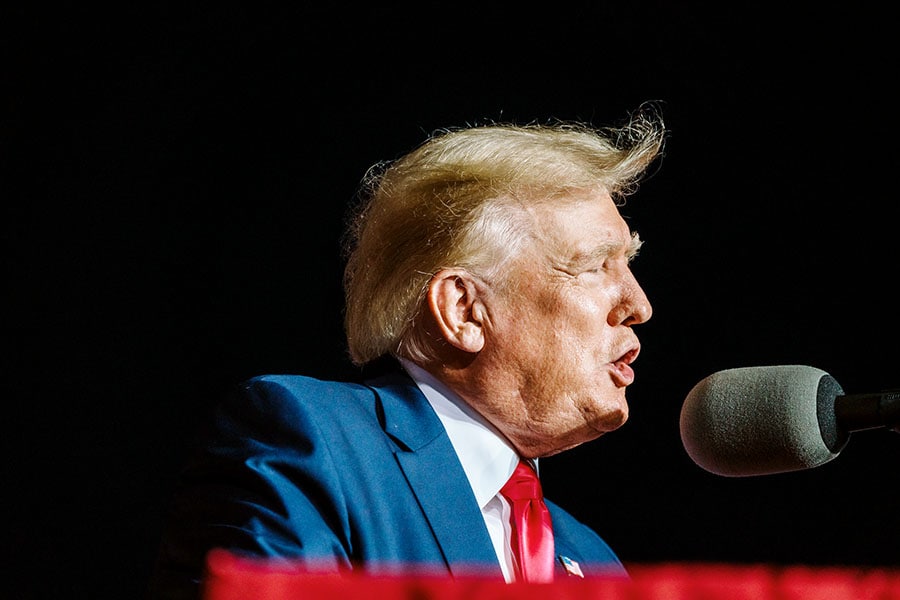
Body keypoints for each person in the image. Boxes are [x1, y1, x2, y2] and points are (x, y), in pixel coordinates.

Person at [148, 103, 667, 599]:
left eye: (629, 264)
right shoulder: (311, 444)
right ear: (464, 310)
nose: (638, 304)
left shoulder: (595, 562)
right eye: (597, 265)